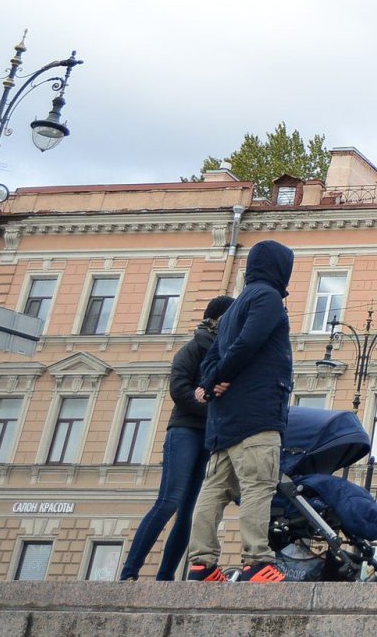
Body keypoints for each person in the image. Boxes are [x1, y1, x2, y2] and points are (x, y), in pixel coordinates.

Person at [186, 242, 295, 583]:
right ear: (280, 268)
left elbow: (213, 357)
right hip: (257, 414)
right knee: (259, 485)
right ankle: (256, 561)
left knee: (215, 489)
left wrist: (209, 382)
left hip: (225, 420)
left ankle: (201, 564)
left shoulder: (232, 309)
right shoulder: (268, 299)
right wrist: (219, 377)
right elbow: (248, 343)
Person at [121, 294, 234, 580]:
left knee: (189, 513)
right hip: (183, 431)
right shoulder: (193, 348)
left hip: (208, 437)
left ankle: (165, 578)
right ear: (216, 319)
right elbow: (179, 390)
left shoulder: (227, 352)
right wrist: (209, 402)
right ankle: (129, 573)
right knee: (169, 501)